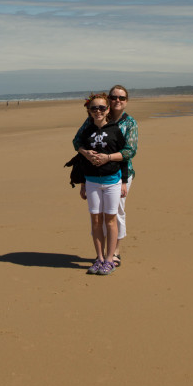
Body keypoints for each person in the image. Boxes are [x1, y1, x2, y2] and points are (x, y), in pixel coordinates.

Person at [73, 84, 138, 266]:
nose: (118, 100)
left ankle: (115, 252)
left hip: (120, 174)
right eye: (114, 97)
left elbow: (129, 151)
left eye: (122, 98)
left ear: (126, 101)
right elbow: (78, 141)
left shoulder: (129, 123)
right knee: (98, 216)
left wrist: (109, 159)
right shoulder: (95, 118)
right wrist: (86, 153)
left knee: (116, 213)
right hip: (94, 175)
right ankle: (101, 255)